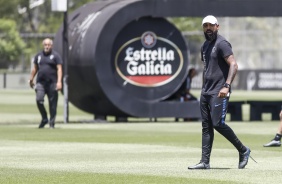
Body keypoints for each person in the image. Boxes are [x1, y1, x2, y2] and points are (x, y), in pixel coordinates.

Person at [188, 15, 254, 169]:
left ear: (217, 26)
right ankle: (205, 162)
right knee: (206, 126)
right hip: (206, 92)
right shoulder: (204, 45)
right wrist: (204, 90)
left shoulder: (222, 43)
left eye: (211, 25)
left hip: (220, 91)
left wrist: (227, 85)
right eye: (205, 26)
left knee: (218, 123)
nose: (208, 28)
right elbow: (208, 69)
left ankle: (243, 150)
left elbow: (234, 65)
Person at [28, 38, 63, 129]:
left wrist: (59, 82)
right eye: (45, 45)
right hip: (41, 83)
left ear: (51, 46)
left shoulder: (56, 56)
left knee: (53, 104)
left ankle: (52, 122)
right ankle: (44, 118)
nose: (47, 46)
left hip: (52, 83)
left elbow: (59, 69)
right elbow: (35, 68)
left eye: (49, 45)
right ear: (43, 45)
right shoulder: (39, 56)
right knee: (39, 99)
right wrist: (31, 79)